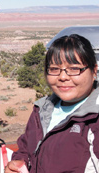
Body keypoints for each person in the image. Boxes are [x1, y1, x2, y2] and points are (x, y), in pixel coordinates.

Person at [5, 34, 99, 173]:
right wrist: (19, 162)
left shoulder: (94, 119)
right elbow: (25, 148)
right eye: (54, 69)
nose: (62, 77)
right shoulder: (42, 110)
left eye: (74, 69)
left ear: (94, 71)